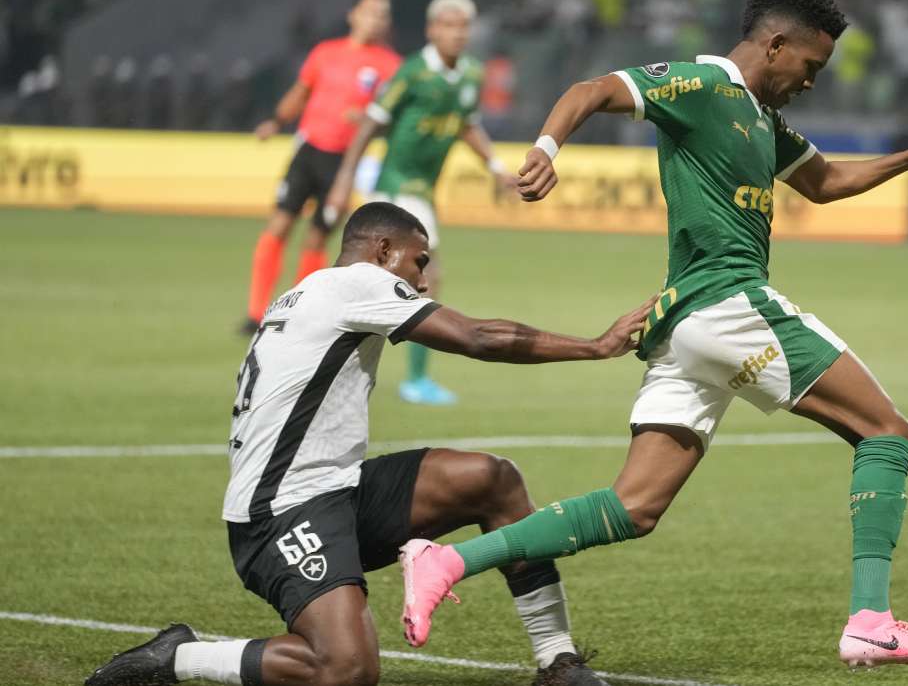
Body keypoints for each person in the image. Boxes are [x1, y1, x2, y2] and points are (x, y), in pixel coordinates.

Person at [398, 0, 908, 670]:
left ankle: (448, 559)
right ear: (778, 44)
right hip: (727, 303)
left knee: (632, 507)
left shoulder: (765, 119)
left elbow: (823, 180)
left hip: (684, 327)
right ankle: (871, 621)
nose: (813, 80)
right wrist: (547, 149)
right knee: (886, 431)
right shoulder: (701, 86)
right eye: (811, 64)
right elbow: (594, 89)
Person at [85, 202, 650, 686]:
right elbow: (476, 337)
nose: (424, 280)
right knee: (346, 671)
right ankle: (179, 657)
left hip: (336, 491)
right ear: (383, 250)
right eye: (418, 261)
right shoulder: (358, 283)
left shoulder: (305, 293)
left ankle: (557, 660)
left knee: (490, 479)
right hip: (279, 514)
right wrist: (596, 346)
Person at [327, 0, 518, 406]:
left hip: (423, 191)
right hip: (397, 188)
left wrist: (497, 167)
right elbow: (371, 124)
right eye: (448, 25)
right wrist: (344, 180)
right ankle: (413, 379)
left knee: (381, 284)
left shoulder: (470, 74)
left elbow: (467, 125)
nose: (456, 33)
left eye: (463, 26)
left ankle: (353, 360)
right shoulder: (412, 72)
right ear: (432, 30)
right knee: (422, 278)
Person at [241, 0, 402, 334]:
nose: (375, 20)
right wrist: (275, 120)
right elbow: (300, 93)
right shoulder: (325, 53)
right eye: (371, 12)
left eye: (382, 15)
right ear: (353, 15)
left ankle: (297, 311)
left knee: (317, 238)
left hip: (344, 165)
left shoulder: (390, 66)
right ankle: (255, 313)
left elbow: (394, 118)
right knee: (279, 225)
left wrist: (370, 120)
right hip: (309, 150)